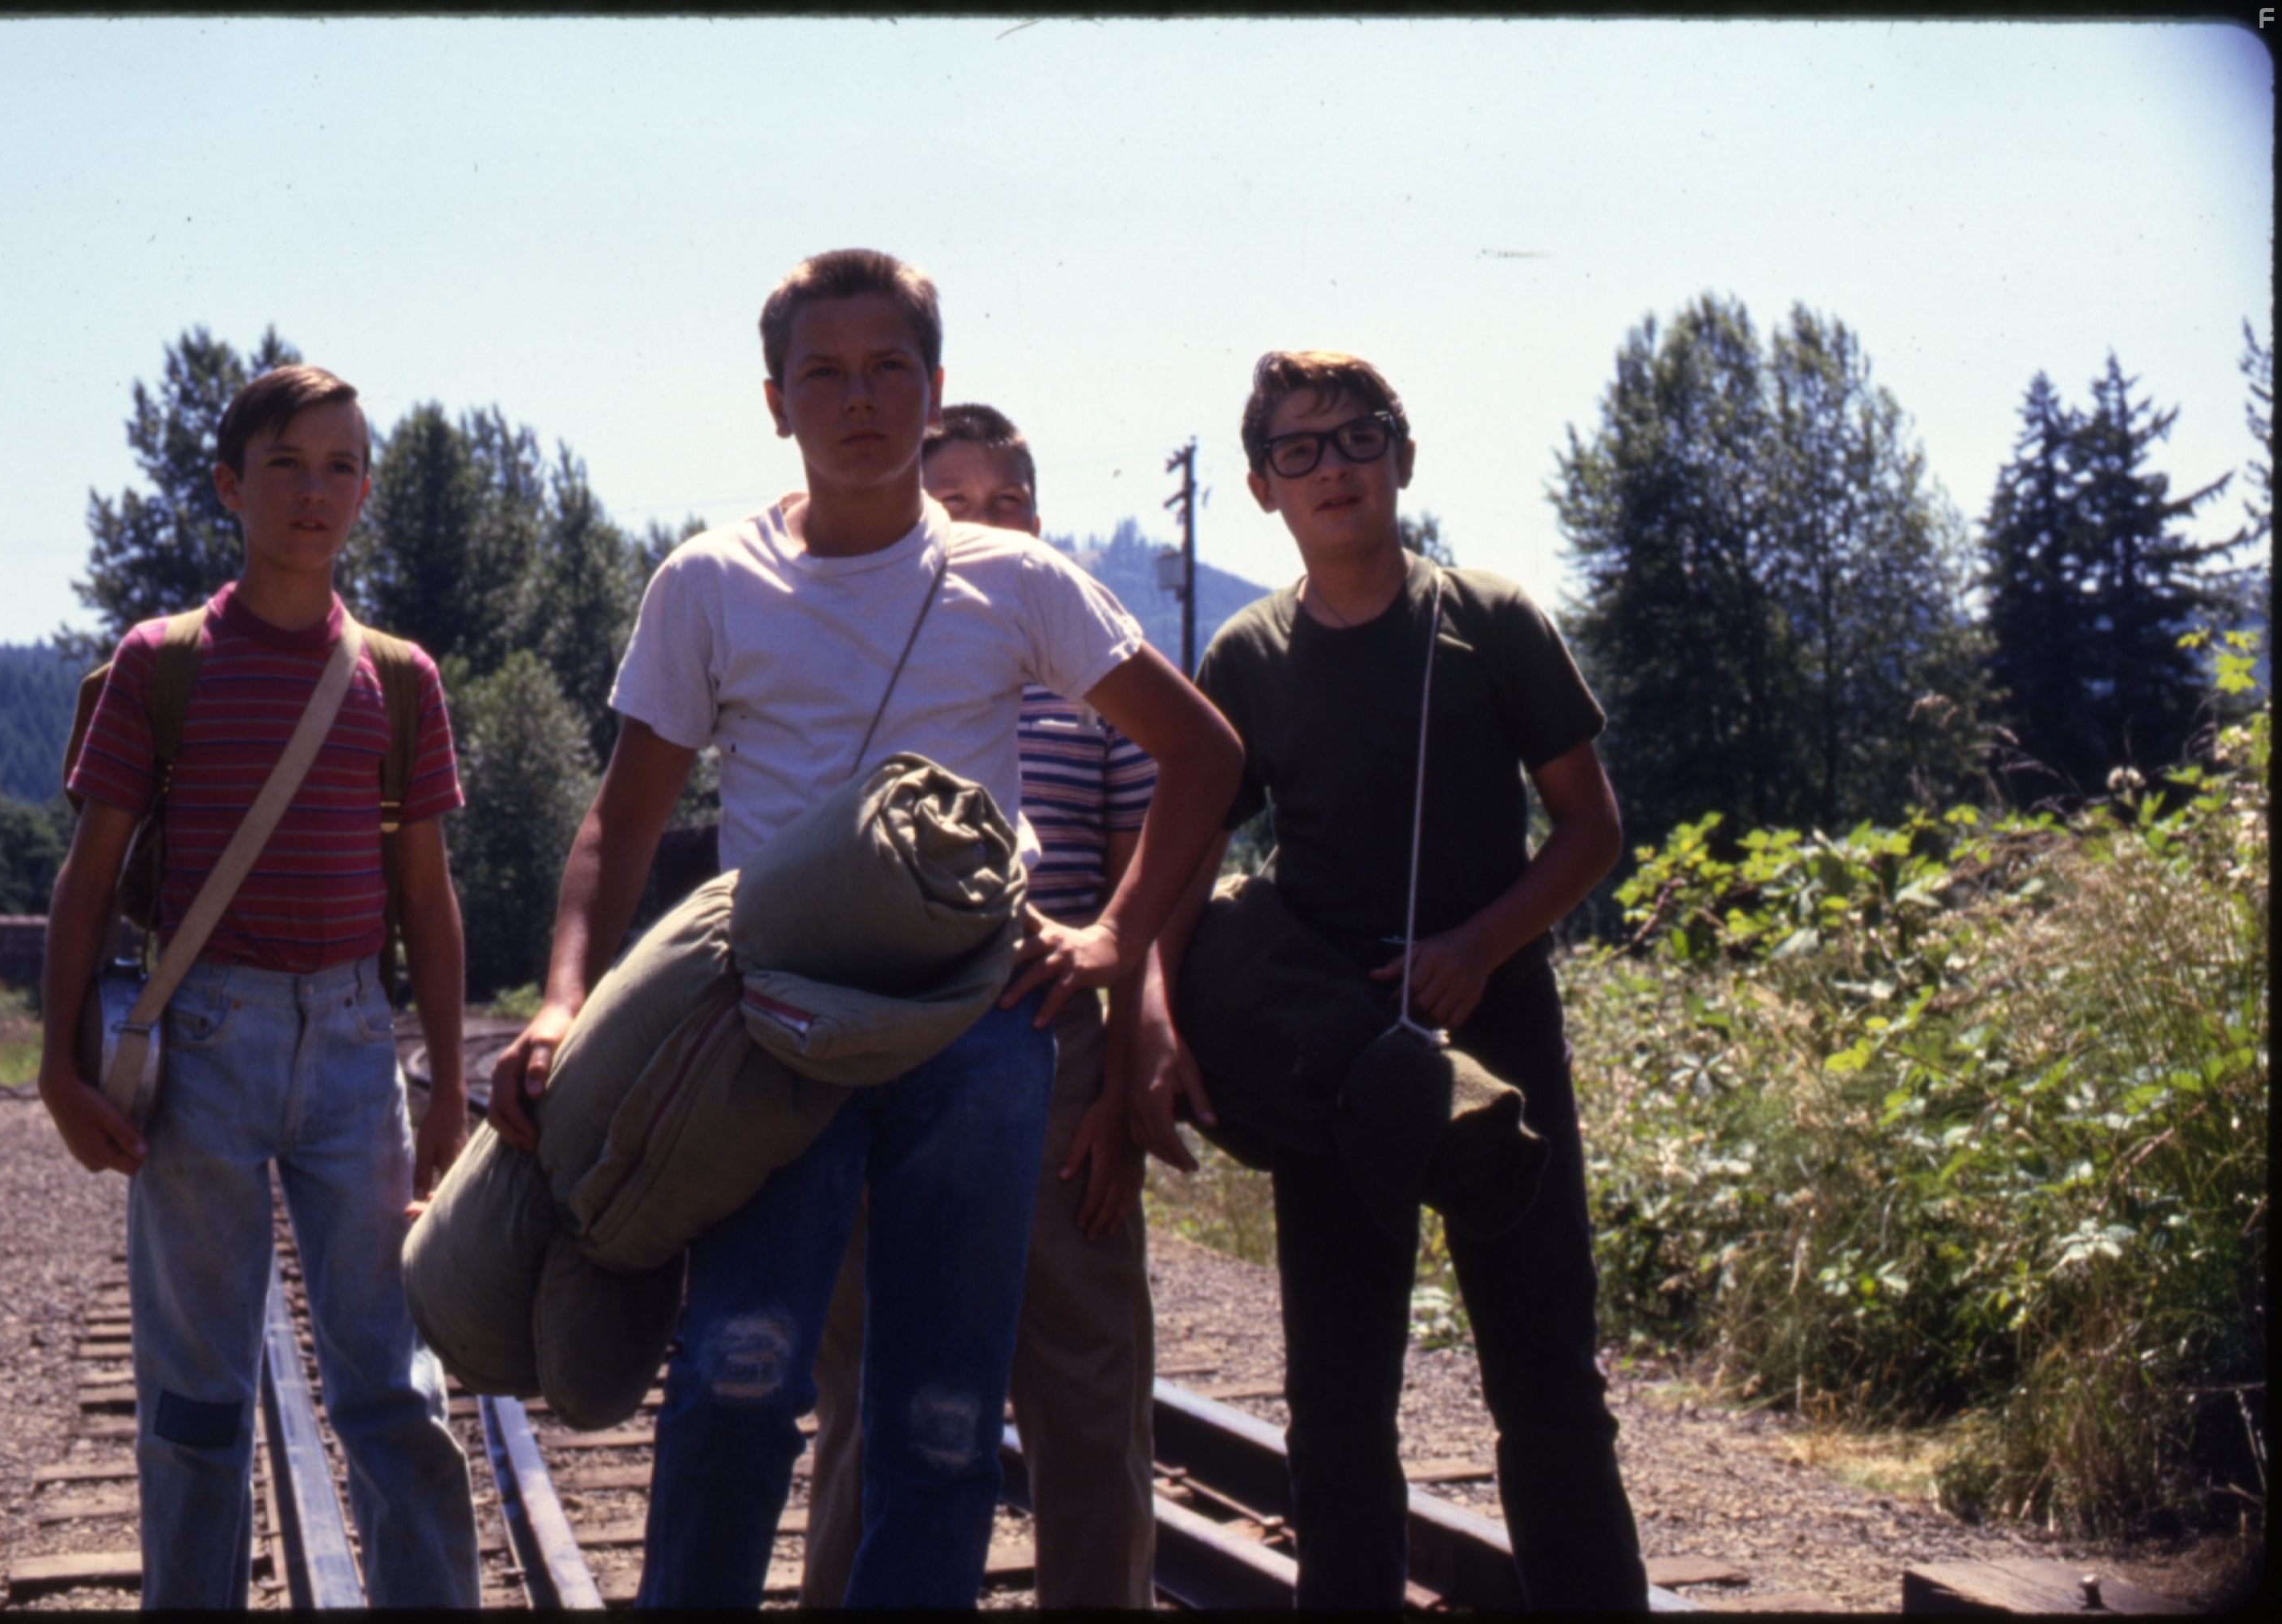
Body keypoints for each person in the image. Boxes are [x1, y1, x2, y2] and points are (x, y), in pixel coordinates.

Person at [484, 249, 1241, 1610]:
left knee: (942, 1421)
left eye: (890, 367)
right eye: (823, 373)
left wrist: (1116, 939)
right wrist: (559, 999)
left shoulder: (1019, 582)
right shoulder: (710, 585)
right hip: (772, 1035)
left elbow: (1203, 753)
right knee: (736, 1371)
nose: (860, 399)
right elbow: (622, 820)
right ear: (775, 401)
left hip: (977, 1043)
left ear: (934, 385)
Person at [1132, 350, 1648, 1610]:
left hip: (1501, 1039)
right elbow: (1187, 847)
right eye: (1299, 451)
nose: (1333, 468)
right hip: (1335, 1060)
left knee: (1545, 1375)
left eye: (1356, 437)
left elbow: (1592, 830)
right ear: (1262, 489)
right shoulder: (1250, 657)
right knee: (1340, 1395)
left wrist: (1480, 943)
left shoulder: (1493, 620)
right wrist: (1151, 1011)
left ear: (1401, 456)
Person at [40, 364, 480, 1609]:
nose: (315, 490)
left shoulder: (400, 680)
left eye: (342, 465)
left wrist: (448, 1088)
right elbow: (90, 873)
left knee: (396, 1386)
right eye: (286, 463)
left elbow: (429, 900)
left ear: (368, 493)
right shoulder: (159, 663)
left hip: (353, 1045)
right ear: (230, 485)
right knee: (195, 1397)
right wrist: (58, 1067)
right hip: (208, 1045)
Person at [801, 403, 1164, 1610]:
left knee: (1090, 1389)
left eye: (1007, 504)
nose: (984, 525)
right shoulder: (878, 677)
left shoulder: (1096, 687)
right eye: (953, 503)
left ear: (1040, 523)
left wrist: (1123, 1080)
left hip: (1051, 1055)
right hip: (890, 1055)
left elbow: (1139, 893)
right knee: (869, 1390)